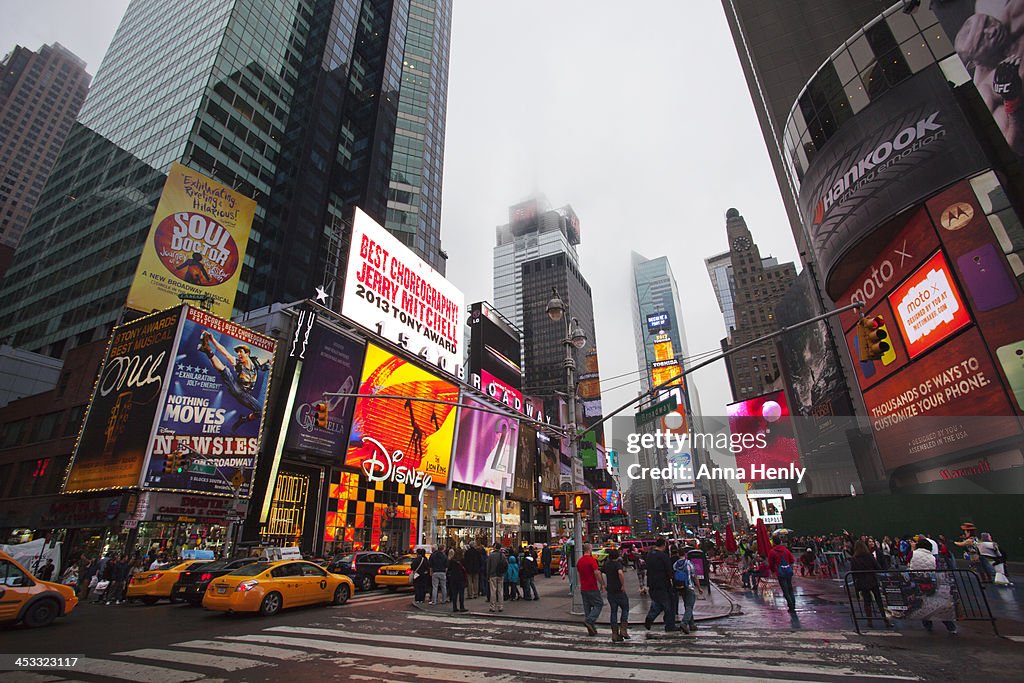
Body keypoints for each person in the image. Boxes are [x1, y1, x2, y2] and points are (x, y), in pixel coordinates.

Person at [197, 332, 267, 433]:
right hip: (237, 389)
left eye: (240, 352)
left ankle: (243, 420)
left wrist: (269, 361)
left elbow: (266, 360)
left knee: (259, 412)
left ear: (247, 353)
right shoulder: (238, 363)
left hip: (246, 395)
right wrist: (213, 340)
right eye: (237, 352)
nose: (239, 355)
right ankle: (208, 350)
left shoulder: (255, 362)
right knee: (225, 371)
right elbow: (225, 352)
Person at [909, 538, 957, 634]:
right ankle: (950, 627)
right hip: (931, 582)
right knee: (937, 605)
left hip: (918, 582)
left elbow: (908, 561)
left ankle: (928, 625)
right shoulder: (933, 557)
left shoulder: (913, 554)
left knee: (923, 605)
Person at [850, 540, 892, 628]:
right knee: (879, 601)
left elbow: (853, 573)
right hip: (872, 580)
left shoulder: (854, 558)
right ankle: (885, 620)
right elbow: (878, 567)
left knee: (867, 602)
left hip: (862, 582)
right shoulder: (869, 556)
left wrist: (856, 587)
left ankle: (869, 620)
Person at [643, 538, 679, 632]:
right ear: (663, 545)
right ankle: (669, 625)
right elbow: (669, 571)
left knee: (658, 602)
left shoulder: (649, 555)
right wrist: (673, 580)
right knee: (669, 605)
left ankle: (650, 618)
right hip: (663, 583)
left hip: (652, 583)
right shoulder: (663, 556)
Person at [673, 546, 703, 634]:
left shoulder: (675, 565)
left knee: (687, 605)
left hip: (681, 587)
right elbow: (694, 576)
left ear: (678, 555)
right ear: (685, 554)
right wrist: (699, 587)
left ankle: (692, 624)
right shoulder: (689, 563)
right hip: (689, 586)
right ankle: (684, 623)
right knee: (690, 606)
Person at [577, 543, 604, 636]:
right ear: (590, 549)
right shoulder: (592, 560)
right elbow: (597, 573)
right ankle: (589, 621)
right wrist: (602, 584)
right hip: (592, 587)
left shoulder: (579, 561)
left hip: (583, 587)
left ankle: (591, 629)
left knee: (587, 608)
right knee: (599, 604)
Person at [603, 548, 629, 642]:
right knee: (625, 608)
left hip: (610, 590)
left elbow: (599, 572)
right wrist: (622, 584)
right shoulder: (618, 564)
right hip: (619, 590)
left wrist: (603, 584)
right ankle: (623, 629)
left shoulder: (607, 564)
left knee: (613, 611)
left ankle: (614, 633)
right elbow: (620, 573)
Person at [768, 537, 797, 613]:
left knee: (785, 590)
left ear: (773, 543)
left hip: (780, 572)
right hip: (788, 571)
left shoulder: (772, 552)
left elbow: (771, 564)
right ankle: (793, 604)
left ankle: (790, 606)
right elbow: (792, 560)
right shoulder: (786, 550)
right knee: (790, 588)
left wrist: (773, 571)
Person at [486, 542, 507, 613]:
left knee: (493, 591)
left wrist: (488, 575)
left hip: (492, 575)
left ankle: (492, 607)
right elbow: (506, 565)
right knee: (500, 591)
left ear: (494, 547)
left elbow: (488, 566)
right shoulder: (502, 555)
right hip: (500, 575)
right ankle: (500, 606)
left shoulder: (491, 556)